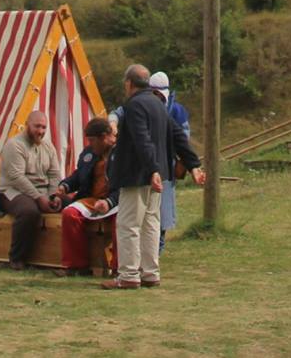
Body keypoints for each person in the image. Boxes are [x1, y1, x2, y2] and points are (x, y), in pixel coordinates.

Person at [101, 64, 204, 291]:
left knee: (128, 224)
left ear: (129, 84)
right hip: (156, 177)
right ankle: (150, 272)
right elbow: (178, 135)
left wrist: (151, 169)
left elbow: (141, 139)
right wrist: (193, 164)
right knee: (151, 224)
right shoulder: (158, 105)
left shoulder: (134, 106)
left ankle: (128, 275)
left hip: (138, 175)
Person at [0, 108, 60, 268]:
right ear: (26, 125)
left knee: (70, 205)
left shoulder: (48, 147)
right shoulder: (14, 145)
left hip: (41, 191)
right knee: (29, 211)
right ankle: (17, 258)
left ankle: (64, 260)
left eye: (44, 127)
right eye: (37, 126)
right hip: (12, 191)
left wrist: (53, 195)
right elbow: (17, 177)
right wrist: (38, 198)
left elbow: (55, 174)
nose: (41, 131)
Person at [57, 116, 118, 274]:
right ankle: (76, 266)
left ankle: (119, 267)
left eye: (92, 140)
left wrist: (109, 202)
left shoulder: (122, 152)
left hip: (117, 200)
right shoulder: (89, 153)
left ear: (104, 137)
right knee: (69, 214)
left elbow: (127, 185)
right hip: (92, 199)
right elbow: (80, 175)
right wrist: (66, 185)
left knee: (123, 220)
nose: (89, 144)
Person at [149, 70, 190, 240]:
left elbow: (184, 138)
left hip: (167, 164)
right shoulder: (144, 106)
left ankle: (157, 248)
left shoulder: (177, 110)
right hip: (148, 164)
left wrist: (183, 161)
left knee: (163, 215)